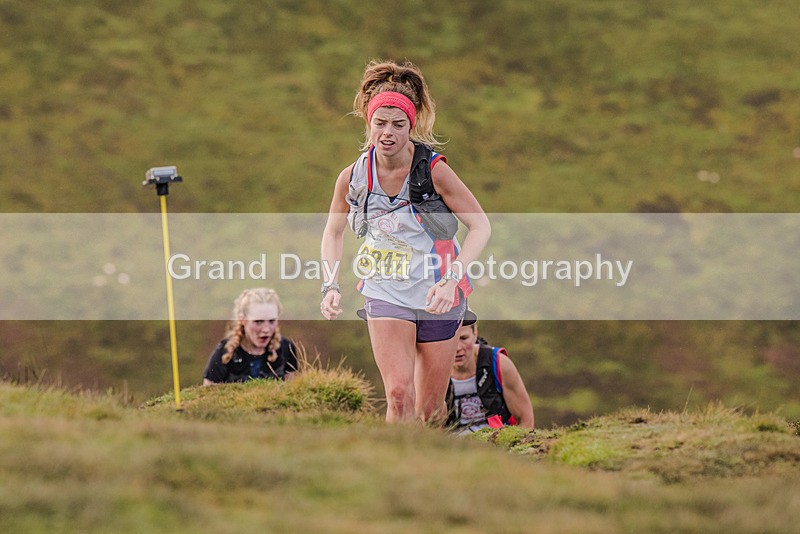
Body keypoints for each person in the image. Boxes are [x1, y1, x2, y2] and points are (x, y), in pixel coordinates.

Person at [320, 59, 491, 423]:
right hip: (385, 292)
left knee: (429, 409)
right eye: (380, 123)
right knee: (398, 395)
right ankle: (394, 474)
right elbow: (333, 232)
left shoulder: (434, 170)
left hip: (438, 296)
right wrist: (330, 285)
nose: (388, 132)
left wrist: (451, 280)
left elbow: (481, 227)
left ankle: (434, 463)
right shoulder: (352, 177)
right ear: (369, 123)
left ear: (410, 126)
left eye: (398, 125)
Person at [445, 310, 534, 434]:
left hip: (497, 441)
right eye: (451, 340)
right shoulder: (429, 370)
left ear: (475, 334)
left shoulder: (499, 363)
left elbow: (525, 418)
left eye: (464, 338)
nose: (458, 348)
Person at [203, 288, 298, 384]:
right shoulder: (225, 352)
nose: (266, 329)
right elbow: (207, 394)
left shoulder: (286, 348)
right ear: (242, 320)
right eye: (258, 322)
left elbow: (293, 392)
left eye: (271, 321)